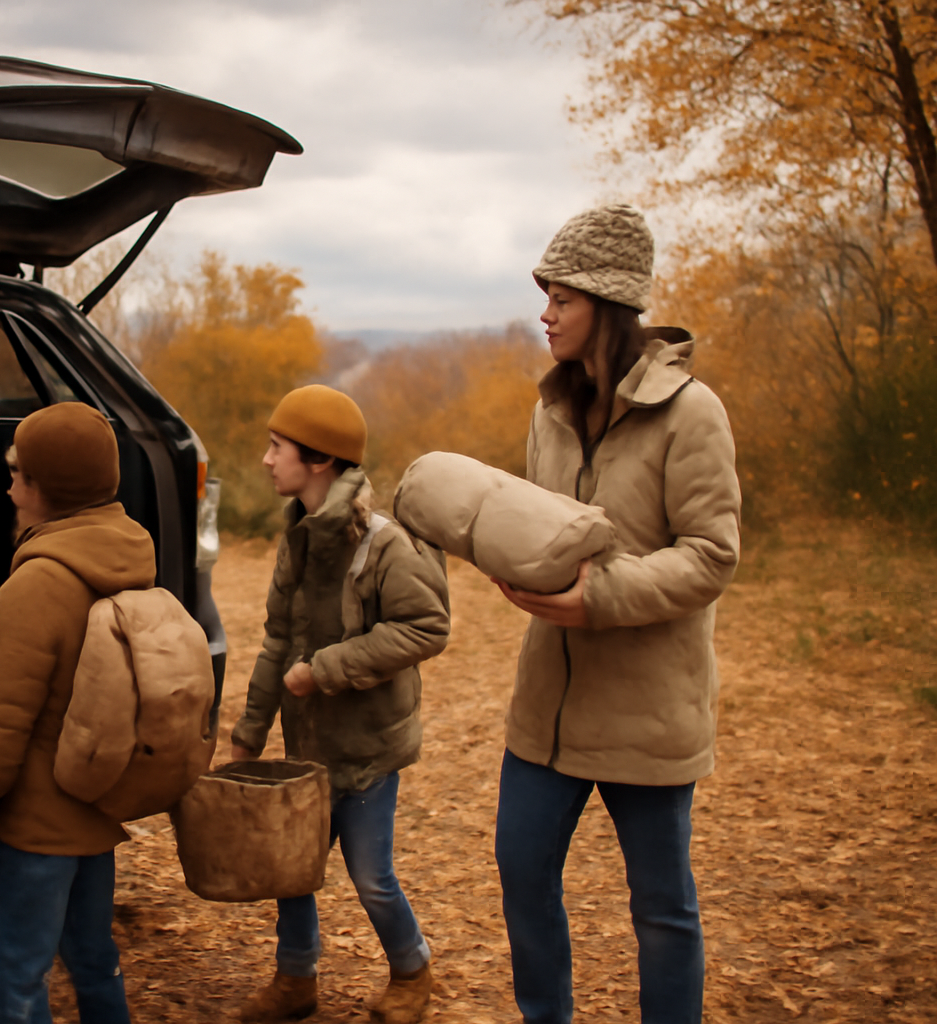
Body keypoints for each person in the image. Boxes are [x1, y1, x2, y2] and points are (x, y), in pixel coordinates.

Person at [491, 203, 741, 1024]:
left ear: (606, 300)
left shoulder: (692, 411)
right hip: (548, 707)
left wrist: (596, 597)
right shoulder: (548, 409)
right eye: (545, 294)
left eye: (560, 296)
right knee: (522, 876)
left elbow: (711, 555)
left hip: (649, 708)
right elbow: (535, 522)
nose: (546, 313)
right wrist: (510, 560)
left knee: (662, 910)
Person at [230, 385, 451, 1024]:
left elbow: (426, 628)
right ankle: (296, 980)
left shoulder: (383, 545)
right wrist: (250, 728)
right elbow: (278, 640)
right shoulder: (296, 537)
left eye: (278, 447)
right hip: (309, 745)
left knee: (371, 876)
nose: (267, 459)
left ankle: (412, 972)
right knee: (293, 869)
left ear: (319, 460)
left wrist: (322, 671)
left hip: (368, 748)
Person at [0, 402, 153, 1024]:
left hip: (39, 822)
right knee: (94, 955)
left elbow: (3, 717)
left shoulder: (36, 584)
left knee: (21, 972)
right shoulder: (131, 564)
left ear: (44, 489)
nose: (9, 485)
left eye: (19, 473)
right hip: (96, 805)